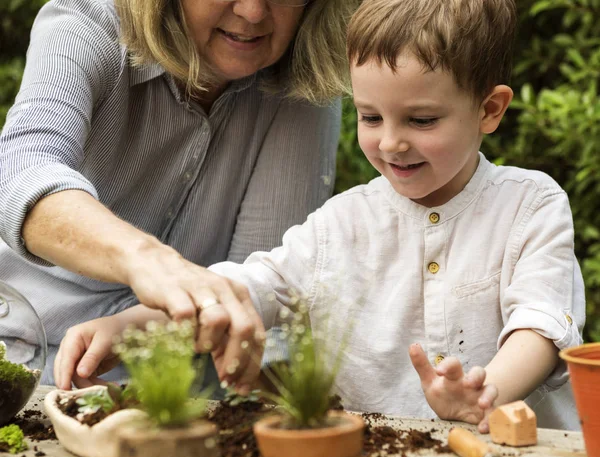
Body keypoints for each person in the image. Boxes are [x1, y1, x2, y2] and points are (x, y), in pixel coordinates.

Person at [55, 0, 585, 431]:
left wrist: (486, 392)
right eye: (370, 116)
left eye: (422, 120)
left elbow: (541, 326)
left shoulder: (529, 205)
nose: (392, 142)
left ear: (490, 110)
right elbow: (250, 289)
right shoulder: (341, 225)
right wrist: (134, 324)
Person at [0, 0, 361, 390]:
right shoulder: (91, 21)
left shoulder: (304, 83)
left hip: (174, 394)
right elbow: (21, 168)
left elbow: (260, 290)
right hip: (16, 356)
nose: (254, 12)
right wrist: (146, 260)